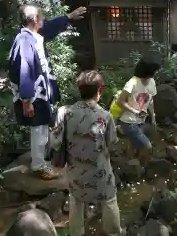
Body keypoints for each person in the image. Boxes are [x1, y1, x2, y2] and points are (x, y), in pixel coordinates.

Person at [8, 4, 86, 180]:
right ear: (35, 19)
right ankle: (39, 166)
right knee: (39, 128)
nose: (43, 18)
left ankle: (43, 158)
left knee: (43, 126)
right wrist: (26, 100)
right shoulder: (25, 43)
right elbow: (25, 72)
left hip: (39, 91)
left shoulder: (30, 36)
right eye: (41, 16)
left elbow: (49, 27)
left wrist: (68, 17)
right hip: (34, 94)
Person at [51, 70, 123, 236]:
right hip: (100, 171)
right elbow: (112, 144)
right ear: (100, 90)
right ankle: (113, 232)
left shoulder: (65, 112)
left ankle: (76, 232)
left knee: (76, 200)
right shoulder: (105, 116)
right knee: (109, 199)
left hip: (76, 171)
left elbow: (55, 141)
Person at [116, 59, 159, 164]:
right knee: (147, 145)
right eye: (155, 71)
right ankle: (137, 164)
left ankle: (132, 165)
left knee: (133, 143)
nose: (156, 72)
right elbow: (119, 102)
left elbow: (151, 100)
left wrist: (153, 117)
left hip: (141, 120)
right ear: (147, 72)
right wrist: (135, 111)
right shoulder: (132, 83)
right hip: (128, 121)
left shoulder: (152, 82)